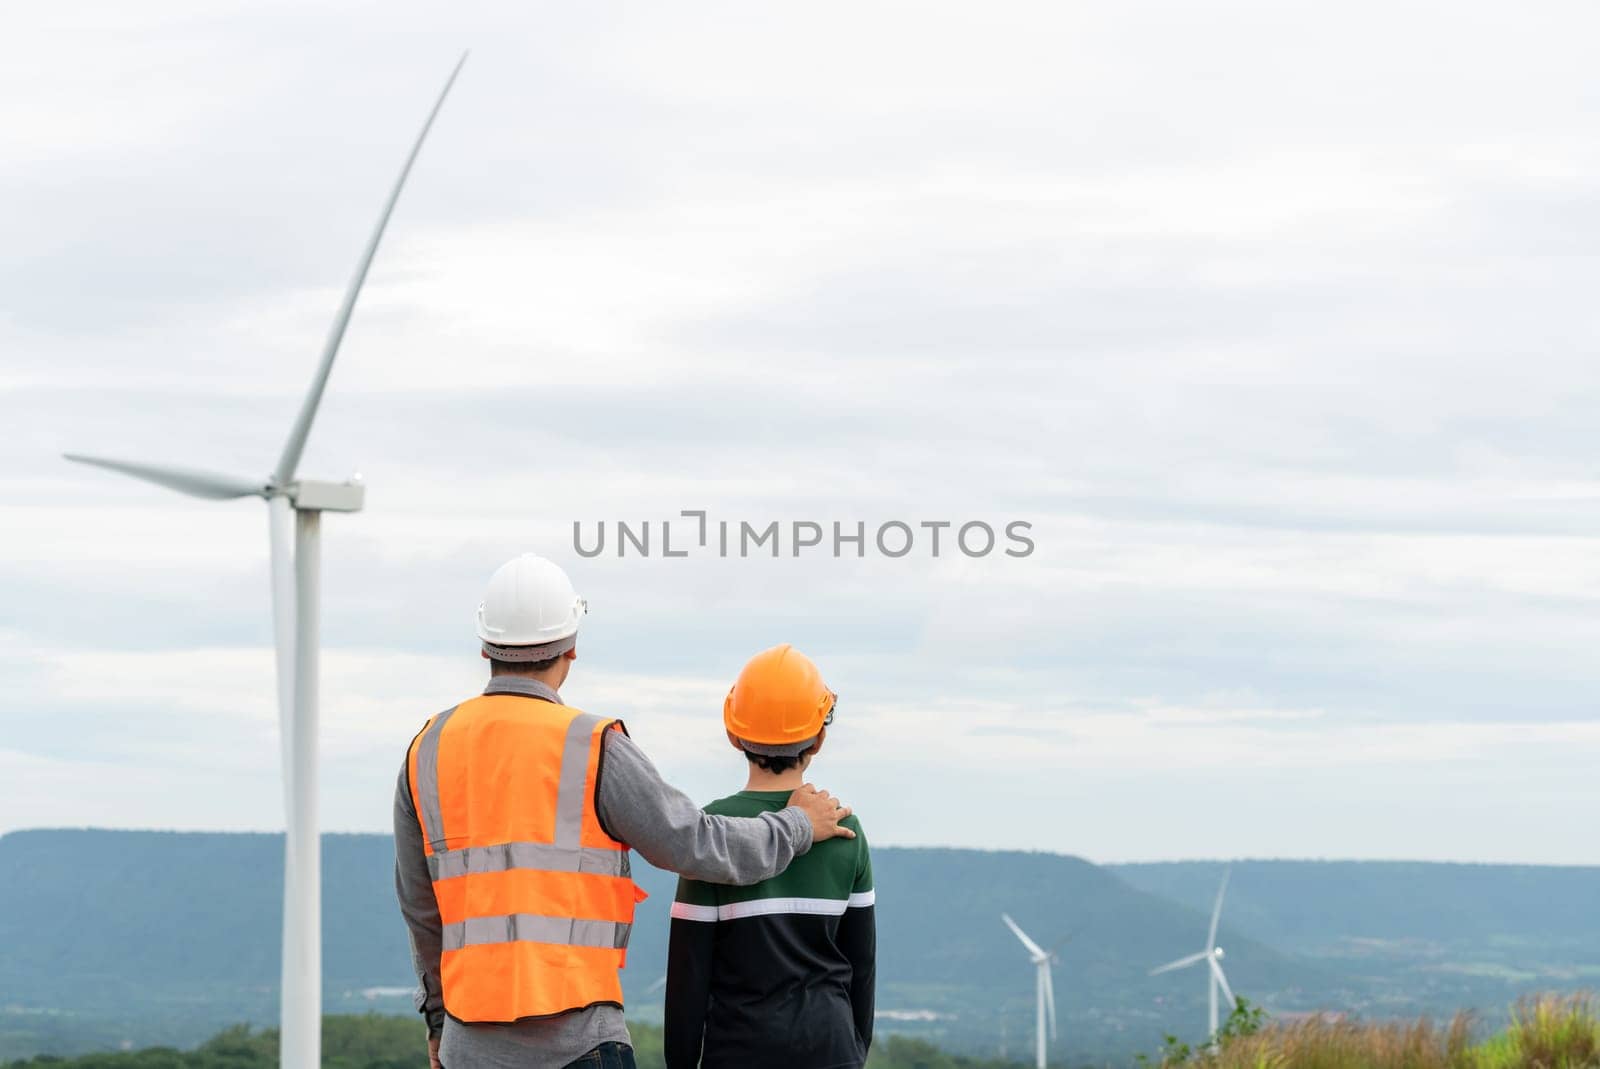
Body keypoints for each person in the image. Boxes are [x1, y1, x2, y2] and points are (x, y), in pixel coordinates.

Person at [394, 555, 856, 1069]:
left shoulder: (427, 750)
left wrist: (438, 1023)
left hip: (469, 1047)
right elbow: (696, 845)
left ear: (484, 646)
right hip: (580, 1045)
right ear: (572, 646)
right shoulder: (592, 747)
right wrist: (795, 826)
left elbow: (421, 911)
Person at [664, 645, 875, 1069]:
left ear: (733, 734)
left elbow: (688, 977)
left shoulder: (714, 830)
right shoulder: (846, 832)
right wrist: (853, 1049)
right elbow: (862, 965)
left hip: (739, 1052)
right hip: (832, 1050)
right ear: (819, 738)